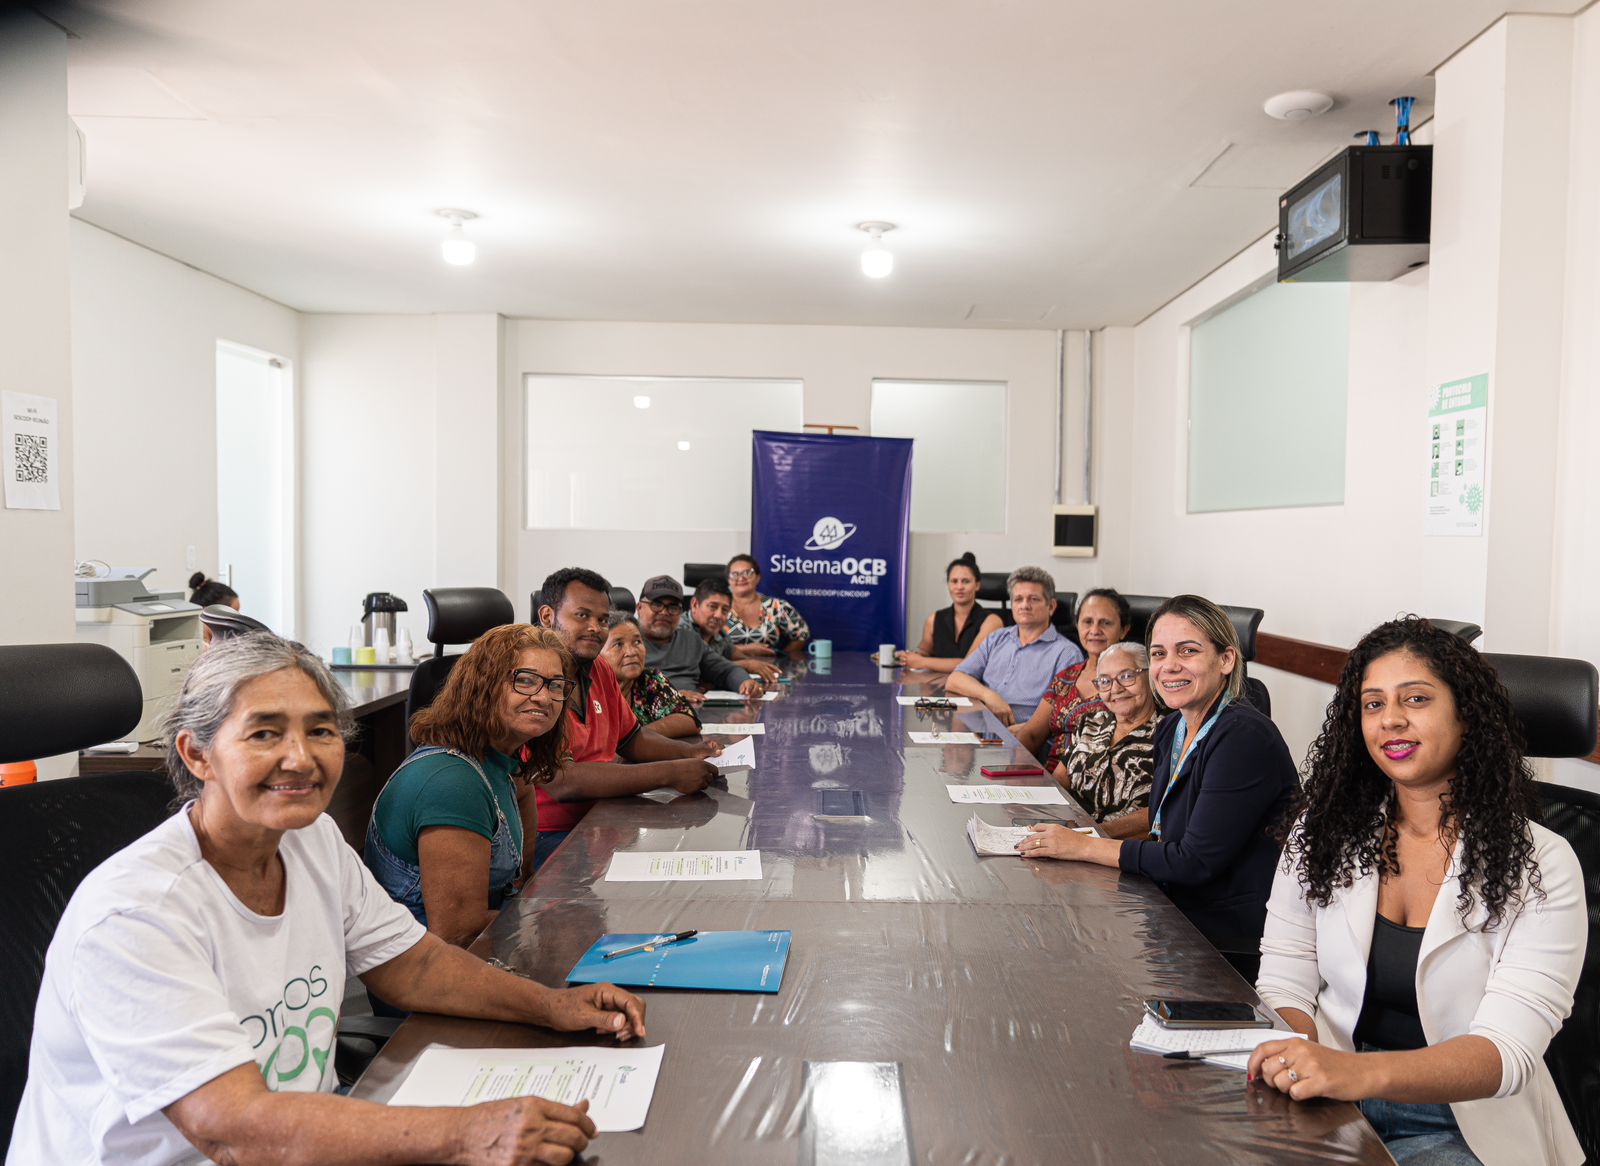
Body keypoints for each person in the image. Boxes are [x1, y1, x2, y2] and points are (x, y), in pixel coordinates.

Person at [7, 633, 644, 1166]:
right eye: (264, 734)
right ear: (197, 754)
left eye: (320, 730)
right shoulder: (137, 912)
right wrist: (467, 1133)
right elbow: (230, 1128)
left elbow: (416, 965)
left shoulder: (309, 841)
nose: (300, 758)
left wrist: (552, 1008)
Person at [1247, 617, 1586, 1166]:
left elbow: (1506, 1051)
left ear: (1466, 717)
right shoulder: (1323, 832)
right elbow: (1286, 976)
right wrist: (1294, 1053)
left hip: (1461, 1120)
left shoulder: (1543, 863)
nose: (1392, 721)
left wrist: (1358, 1073)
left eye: (1417, 699)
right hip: (1328, 1099)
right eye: (1373, 704)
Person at [1015, 594, 1295, 969]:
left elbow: (1193, 861)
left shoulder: (1243, 736)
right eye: (1160, 654)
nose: (1170, 667)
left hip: (1225, 941)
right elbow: (1164, 832)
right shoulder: (1173, 728)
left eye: (1188, 651)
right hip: (1172, 908)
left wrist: (1084, 846)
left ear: (1227, 659)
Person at [364, 624, 573, 946]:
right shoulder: (452, 783)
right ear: (483, 686)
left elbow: (521, 790)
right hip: (428, 976)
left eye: (555, 685)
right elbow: (458, 933)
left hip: (475, 948)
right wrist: (557, 920)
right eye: (526, 681)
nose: (544, 697)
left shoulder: (499, 760)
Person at [533, 567, 721, 869]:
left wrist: (691, 753)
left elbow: (632, 739)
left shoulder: (599, 668)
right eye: (582, 616)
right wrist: (670, 773)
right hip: (549, 834)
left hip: (606, 816)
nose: (595, 628)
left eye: (603, 619)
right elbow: (562, 781)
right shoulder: (532, 680)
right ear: (547, 617)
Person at [945, 566, 1084, 725]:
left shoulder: (1066, 654)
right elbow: (955, 679)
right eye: (1018, 599)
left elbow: (1064, 715)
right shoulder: (997, 638)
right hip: (981, 731)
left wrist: (1025, 731)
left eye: (1033, 599)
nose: (1024, 605)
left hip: (1024, 740)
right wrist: (989, 696)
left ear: (1051, 607)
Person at [1014, 588, 1131, 767]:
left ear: (1123, 630)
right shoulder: (1065, 678)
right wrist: (1010, 773)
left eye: (1105, 623)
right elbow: (1032, 735)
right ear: (1077, 625)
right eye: (1087, 622)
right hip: (1049, 781)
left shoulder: (1131, 684)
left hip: (1094, 784)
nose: (1094, 630)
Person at [1053, 640, 1158, 839]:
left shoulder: (1170, 735)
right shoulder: (1091, 723)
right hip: (1070, 837)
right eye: (1104, 681)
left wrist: (1089, 837)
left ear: (1150, 675)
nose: (1115, 689)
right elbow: (1058, 781)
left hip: (1122, 851)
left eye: (1127, 676)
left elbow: (1158, 814)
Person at [636, 575, 763, 697]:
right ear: (639, 607)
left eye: (673, 607)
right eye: (656, 605)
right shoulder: (626, 643)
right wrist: (672, 697)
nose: (664, 612)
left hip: (695, 711)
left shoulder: (691, 640)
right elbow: (622, 690)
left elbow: (726, 671)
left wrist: (745, 682)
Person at [895, 551, 1004, 673]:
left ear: (977, 585)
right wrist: (908, 656)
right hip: (936, 686)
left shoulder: (992, 621)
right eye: (954, 581)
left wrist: (921, 662)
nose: (959, 587)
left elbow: (969, 664)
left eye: (966, 581)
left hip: (973, 688)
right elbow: (924, 651)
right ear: (948, 584)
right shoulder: (934, 619)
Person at [602, 611, 701, 738]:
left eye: (637, 642)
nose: (631, 652)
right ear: (597, 653)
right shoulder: (588, 689)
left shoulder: (649, 680)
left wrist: (634, 738)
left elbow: (690, 720)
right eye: (618, 644)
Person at [686, 576, 780, 682]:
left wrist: (757, 665)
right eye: (712, 607)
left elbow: (731, 651)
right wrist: (746, 665)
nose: (718, 615)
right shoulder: (680, 630)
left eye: (725, 610)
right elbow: (696, 668)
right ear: (694, 605)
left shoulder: (718, 632)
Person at [723, 553, 810, 659]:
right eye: (735, 574)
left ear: (758, 577)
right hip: (728, 670)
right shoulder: (720, 607)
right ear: (728, 580)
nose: (741, 578)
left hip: (768, 670)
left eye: (747, 573)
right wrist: (745, 649)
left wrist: (781, 658)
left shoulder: (776, 606)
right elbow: (706, 644)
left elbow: (802, 634)